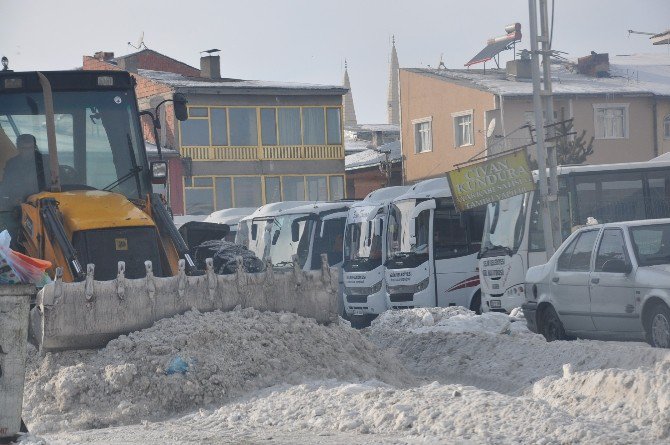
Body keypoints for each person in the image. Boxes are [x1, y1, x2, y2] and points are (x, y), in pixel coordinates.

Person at [1, 134, 44, 204]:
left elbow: (53, 185)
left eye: (31, 148)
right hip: (18, 204)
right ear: (18, 148)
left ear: (35, 147)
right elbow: (6, 187)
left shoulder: (44, 162)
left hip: (42, 202)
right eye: (24, 148)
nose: (28, 151)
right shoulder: (12, 164)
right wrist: (12, 199)